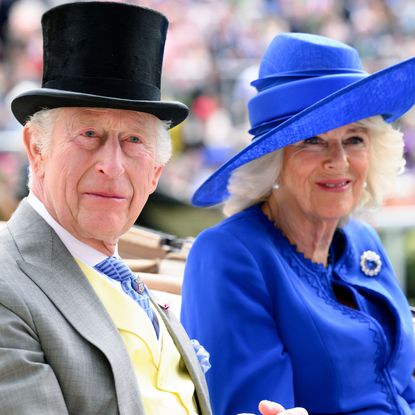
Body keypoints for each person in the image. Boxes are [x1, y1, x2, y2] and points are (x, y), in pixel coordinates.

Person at [0, 3, 308, 415]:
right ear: (36, 150)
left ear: (156, 172)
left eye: (133, 141)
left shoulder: (114, 273)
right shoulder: (8, 286)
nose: (111, 165)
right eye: (89, 133)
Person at [181, 32, 415, 415]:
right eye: (312, 141)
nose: (338, 161)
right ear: (273, 160)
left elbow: (402, 386)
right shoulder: (230, 255)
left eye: (354, 138)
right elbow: (255, 405)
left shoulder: (361, 239)